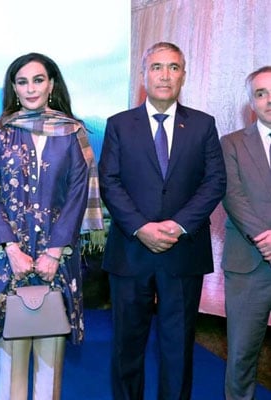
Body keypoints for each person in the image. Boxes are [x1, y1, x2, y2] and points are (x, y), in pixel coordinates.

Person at [0, 52, 103, 400]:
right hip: (6, 257)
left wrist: (54, 252)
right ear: (13, 87)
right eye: (22, 81)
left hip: (58, 257)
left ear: (52, 84)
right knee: (10, 360)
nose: (31, 88)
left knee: (50, 359)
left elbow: (77, 194)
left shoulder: (73, 132)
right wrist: (12, 250)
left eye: (38, 79)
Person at [98, 42, 226, 400]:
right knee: (126, 347)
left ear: (183, 74)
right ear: (143, 75)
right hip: (130, 251)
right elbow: (110, 180)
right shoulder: (119, 125)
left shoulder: (202, 124)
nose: (165, 75)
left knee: (178, 349)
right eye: (157, 67)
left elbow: (215, 181)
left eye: (173, 67)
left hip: (182, 252)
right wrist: (141, 227)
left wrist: (178, 225)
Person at [220, 65, 271, 400]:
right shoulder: (232, 144)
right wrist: (265, 238)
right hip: (250, 264)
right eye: (261, 93)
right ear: (251, 103)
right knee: (241, 355)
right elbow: (232, 196)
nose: (269, 100)